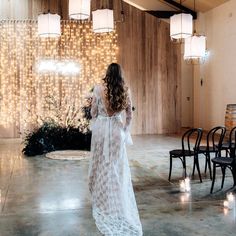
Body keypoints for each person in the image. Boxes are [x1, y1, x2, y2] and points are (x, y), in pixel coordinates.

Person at [88, 63, 143, 235]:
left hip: (101, 131)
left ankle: (103, 198)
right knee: (117, 166)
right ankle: (117, 198)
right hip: (117, 131)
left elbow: (93, 113)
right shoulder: (125, 89)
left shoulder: (98, 89)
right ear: (120, 75)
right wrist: (124, 131)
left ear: (107, 74)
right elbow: (130, 115)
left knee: (100, 164)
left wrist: (98, 117)